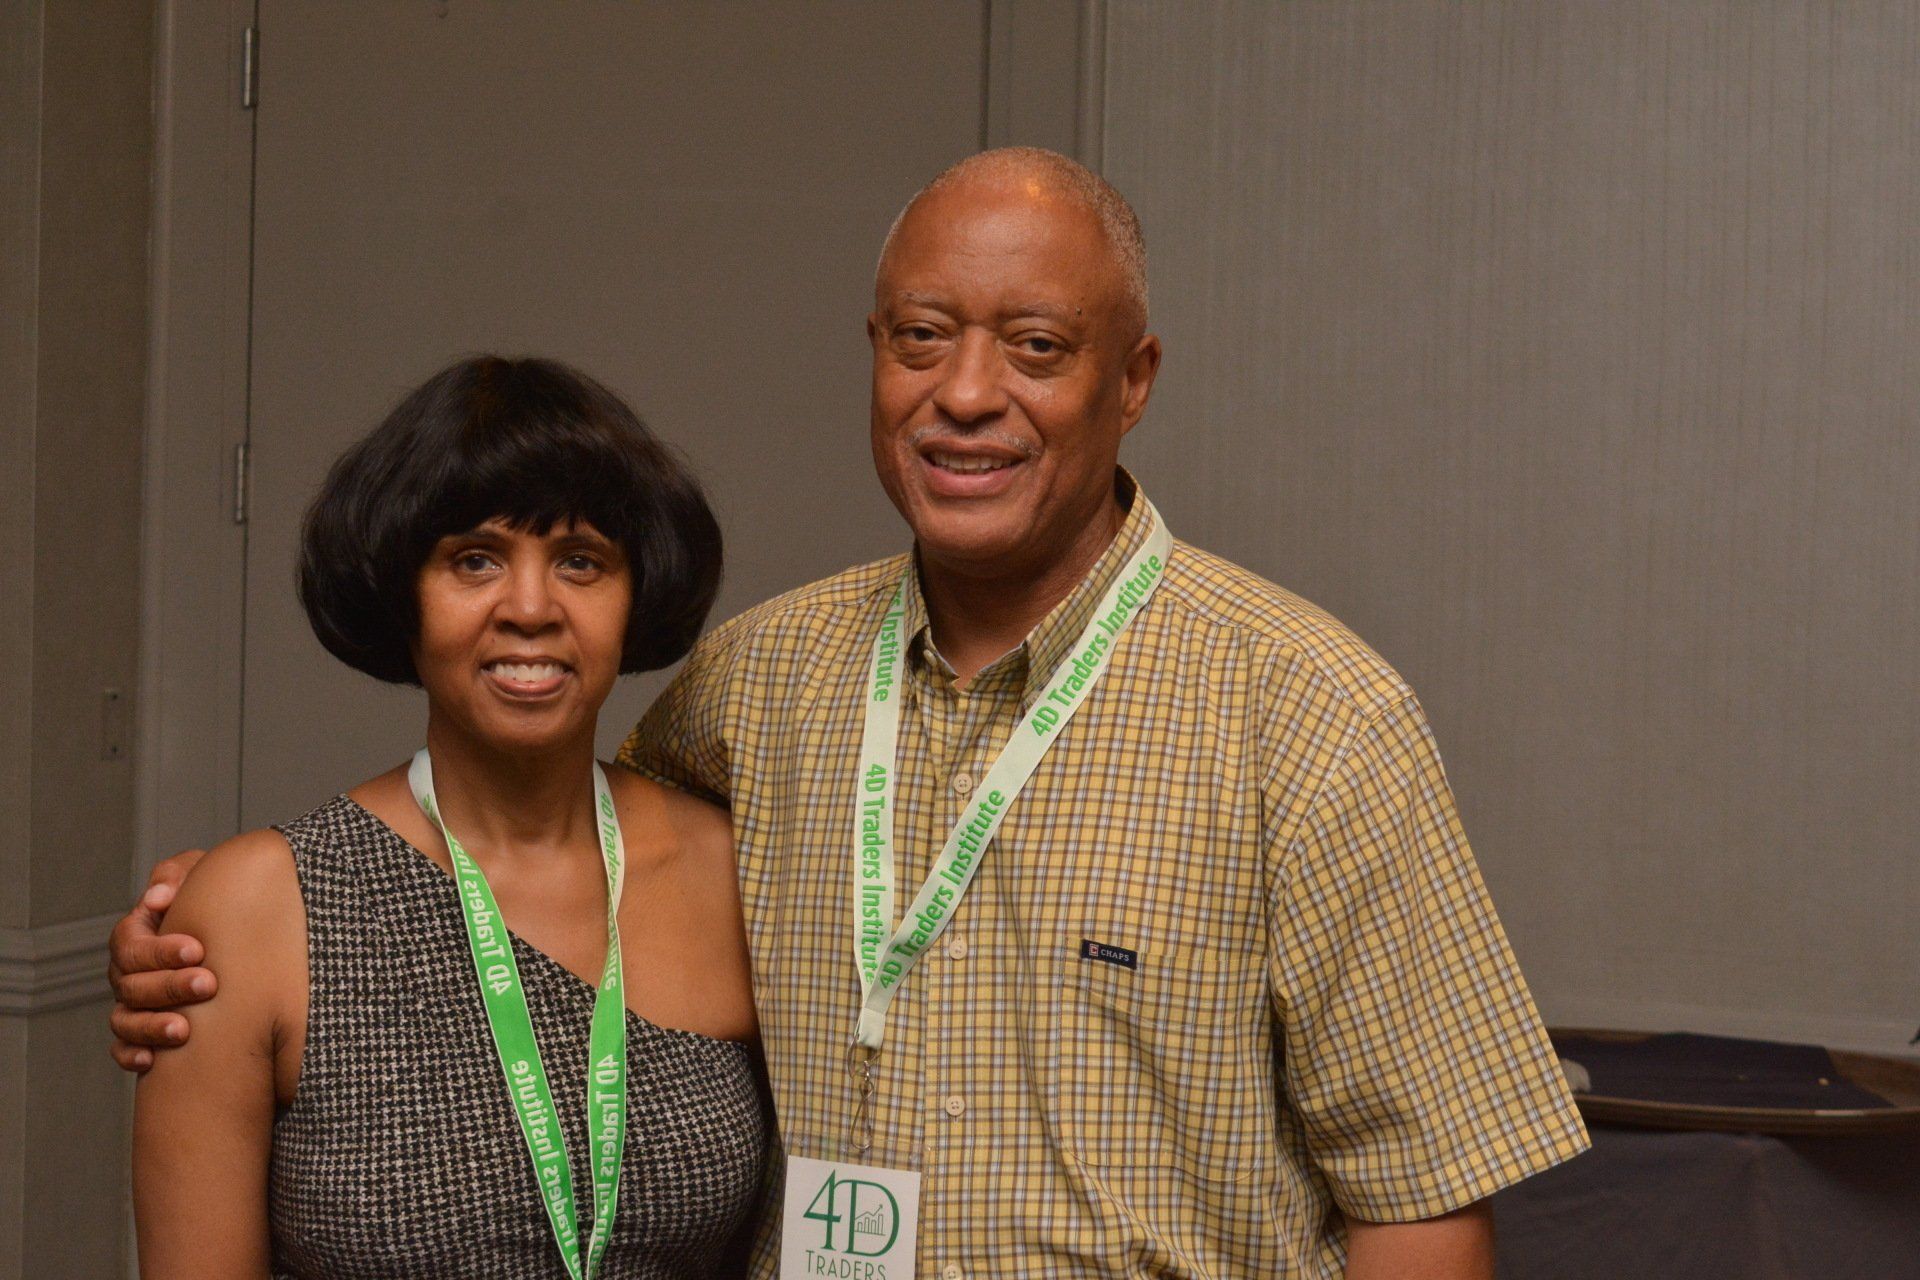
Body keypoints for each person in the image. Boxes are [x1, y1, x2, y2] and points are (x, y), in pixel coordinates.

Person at [114, 149, 1587, 1278]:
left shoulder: (1310, 712)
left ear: (1133, 379)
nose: (966, 394)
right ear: (874, 352)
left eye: (1037, 346)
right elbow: (546, 860)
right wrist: (224, 928)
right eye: (922, 336)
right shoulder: (760, 687)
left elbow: (1421, 1201)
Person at [130, 356, 768, 1278]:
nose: (531, 608)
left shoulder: (737, 874)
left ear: (635, 595)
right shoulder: (257, 907)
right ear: (403, 593)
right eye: (474, 559)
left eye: (581, 561)